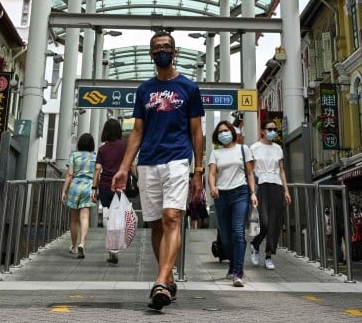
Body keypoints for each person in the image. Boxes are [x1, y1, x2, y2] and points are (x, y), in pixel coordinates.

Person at [111, 30, 205, 311]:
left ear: (174, 52)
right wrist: (124, 168)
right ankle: (169, 276)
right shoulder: (144, 90)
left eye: (167, 47)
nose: (162, 51)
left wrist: (198, 170)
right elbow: (137, 132)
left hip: (177, 159)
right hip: (148, 161)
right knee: (155, 224)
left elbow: (197, 132)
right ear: (151, 54)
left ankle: (161, 281)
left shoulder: (189, 88)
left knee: (172, 217)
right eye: (157, 47)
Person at [208, 121, 257, 287]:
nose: (223, 134)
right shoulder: (216, 153)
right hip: (221, 196)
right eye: (220, 131)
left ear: (232, 132)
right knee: (226, 238)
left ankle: (238, 271)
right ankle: (232, 263)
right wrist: (213, 187)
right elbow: (212, 173)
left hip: (240, 193)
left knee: (237, 233)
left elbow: (250, 173)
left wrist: (253, 193)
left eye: (226, 130)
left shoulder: (243, 149)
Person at [248, 120, 291, 270]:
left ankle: (268, 256)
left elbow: (281, 170)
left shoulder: (278, 148)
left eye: (275, 129)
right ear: (262, 131)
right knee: (264, 222)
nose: (273, 131)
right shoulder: (254, 148)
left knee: (275, 223)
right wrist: (252, 191)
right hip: (261, 185)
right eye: (270, 129)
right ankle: (255, 244)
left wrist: (286, 190)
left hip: (276, 185)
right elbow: (250, 172)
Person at [92, 118, 128, 264]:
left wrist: (94, 188)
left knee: (108, 215)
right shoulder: (124, 146)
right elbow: (131, 165)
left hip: (105, 185)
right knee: (118, 217)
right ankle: (115, 247)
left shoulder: (102, 149)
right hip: (120, 186)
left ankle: (111, 249)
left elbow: (97, 169)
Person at [62, 133, 96, 259]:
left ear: (80, 144)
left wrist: (64, 191)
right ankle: (82, 243)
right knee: (84, 217)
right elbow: (98, 173)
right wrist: (95, 190)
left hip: (75, 187)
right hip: (89, 187)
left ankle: (74, 246)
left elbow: (70, 174)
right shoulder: (95, 156)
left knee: (74, 220)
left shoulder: (74, 155)